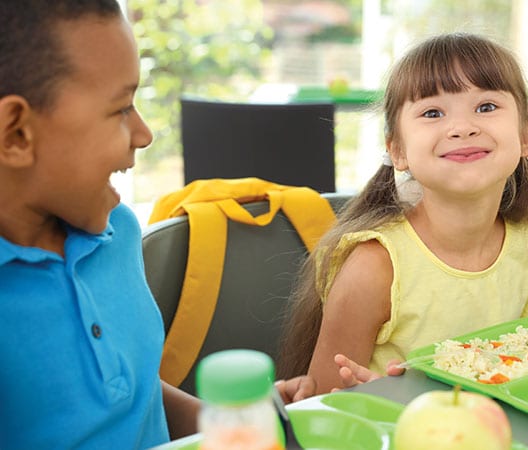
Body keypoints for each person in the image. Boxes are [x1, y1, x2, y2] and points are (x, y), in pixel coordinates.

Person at [0, 2, 314, 448]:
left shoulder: (118, 232)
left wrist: (227, 422)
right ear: (16, 133)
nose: (145, 134)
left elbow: (137, 397)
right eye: (120, 109)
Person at [278, 32, 528, 395]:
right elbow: (318, 407)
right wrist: (390, 400)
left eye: (486, 107)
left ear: (525, 135)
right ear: (398, 150)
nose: (463, 127)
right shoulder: (375, 268)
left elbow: (514, 368)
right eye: (432, 112)